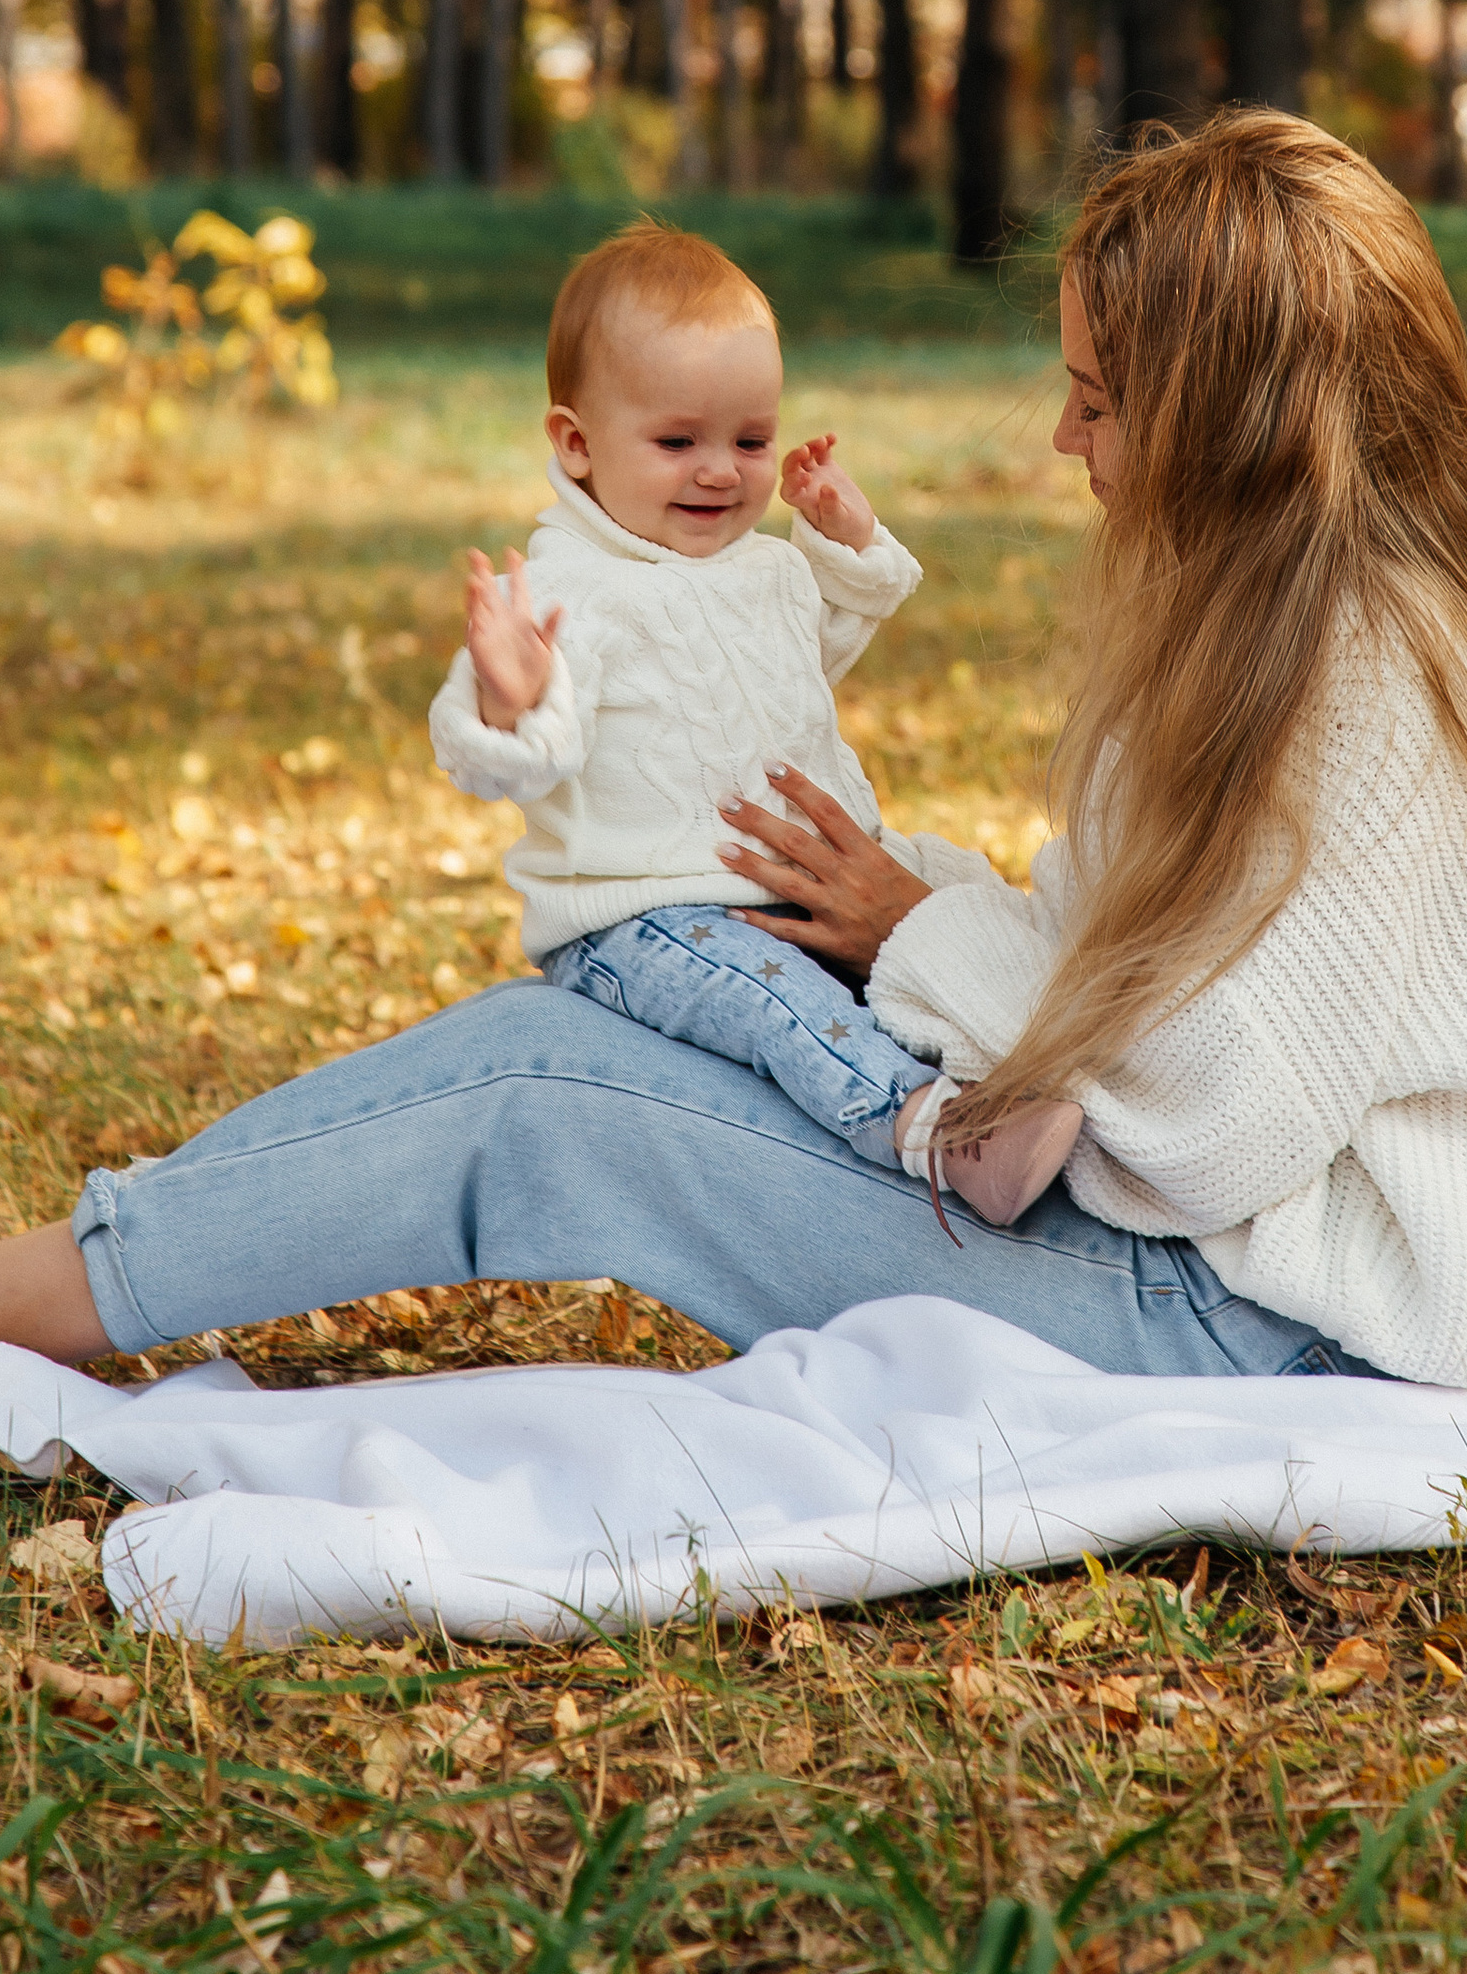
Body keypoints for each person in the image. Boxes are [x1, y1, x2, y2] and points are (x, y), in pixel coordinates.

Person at [0, 112, 1467, 1462]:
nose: (1061, 440)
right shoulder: (1311, 620)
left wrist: (915, 928)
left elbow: (1209, 1115)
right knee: (612, 1037)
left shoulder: (1374, 680)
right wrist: (904, 918)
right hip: (1234, 1284)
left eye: (1101, 400)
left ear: (1235, 413)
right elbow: (1170, 996)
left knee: (553, 1099)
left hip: (1247, 1328)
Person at [432, 218, 1080, 1224]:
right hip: (646, 919)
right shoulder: (572, 590)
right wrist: (508, 699)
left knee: (924, 932)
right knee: (780, 999)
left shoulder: (762, 566)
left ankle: (1002, 1073)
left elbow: (802, 666)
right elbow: (519, 762)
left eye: (751, 441)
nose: (721, 473)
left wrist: (840, 543)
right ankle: (928, 1132)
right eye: (677, 442)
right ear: (576, 443)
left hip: (784, 887)